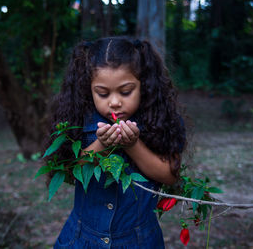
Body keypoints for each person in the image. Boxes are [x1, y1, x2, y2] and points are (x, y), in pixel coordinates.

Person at [44, 36, 186, 248]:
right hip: (84, 239)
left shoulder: (158, 120)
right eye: (102, 93)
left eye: (126, 91)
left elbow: (170, 175)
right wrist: (101, 145)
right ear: (88, 87)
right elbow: (65, 173)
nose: (114, 102)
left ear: (144, 85)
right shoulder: (77, 119)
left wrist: (133, 145)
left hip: (138, 241)